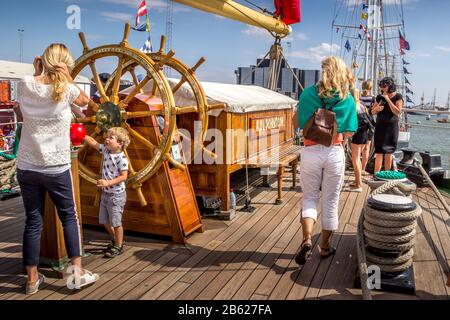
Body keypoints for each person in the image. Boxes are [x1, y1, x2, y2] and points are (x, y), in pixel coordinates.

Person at [15, 43, 99, 295]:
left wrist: (36, 70)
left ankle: (31, 280)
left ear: (42, 62)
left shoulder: (24, 83)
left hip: (27, 166)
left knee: (33, 221)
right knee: (68, 218)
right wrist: (69, 78)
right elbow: (87, 103)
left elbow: (30, 90)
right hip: (56, 168)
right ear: (64, 65)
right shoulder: (67, 90)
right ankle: (77, 274)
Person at [295, 56, 358, 265]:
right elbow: (349, 132)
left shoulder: (308, 94)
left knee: (309, 197)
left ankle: (306, 240)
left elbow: (298, 122)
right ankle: (324, 247)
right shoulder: (346, 99)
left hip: (310, 151)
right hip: (334, 152)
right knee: (331, 201)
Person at [84, 127, 130, 258]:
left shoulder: (121, 158)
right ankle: (116, 240)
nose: (107, 139)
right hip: (106, 194)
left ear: (120, 143)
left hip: (116, 195)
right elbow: (93, 142)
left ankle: (119, 246)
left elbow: (124, 176)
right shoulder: (105, 150)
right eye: (107, 137)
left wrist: (107, 183)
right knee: (104, 220)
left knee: (116, 223)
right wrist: (81, 134)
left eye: (111, 138)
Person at [372, 77, 404, 173]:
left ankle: (386, 174)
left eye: (384, 86)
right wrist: (377, 109)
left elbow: (397, 111)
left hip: (392, 127)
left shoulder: (398, 96)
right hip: (380, 126)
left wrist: (388, 100)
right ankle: (376, 175)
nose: (382, 88)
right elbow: (372, 111)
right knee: (379, 152)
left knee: (389, 152)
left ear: (390, 86)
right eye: (381, 86)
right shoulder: (379, 97)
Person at [349, 89, 374, 192]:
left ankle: (358, 184)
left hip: (357, 134)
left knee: (355, 159)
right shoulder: (363, 105)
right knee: (358, 158)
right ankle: (357, 181)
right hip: (365, 133)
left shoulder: (353, 106)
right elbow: (369, 118)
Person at [360, 80, 376, 175]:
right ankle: (362, 169)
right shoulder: (373, 99)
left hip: (358, 124)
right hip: (368, 124)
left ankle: (356, 167)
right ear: (370, 88)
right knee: (366, 148)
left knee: (358, 148)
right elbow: (373, 112)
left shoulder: (358, 97)